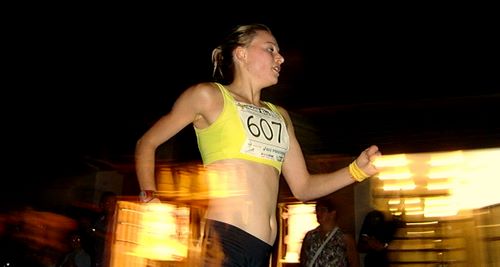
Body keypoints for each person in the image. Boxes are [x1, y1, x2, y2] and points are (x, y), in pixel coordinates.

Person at [135, 23, 381, 266]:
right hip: (224, 243)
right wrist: (149, 199)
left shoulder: (280, 116)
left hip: (262, 249)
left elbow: (304, 187)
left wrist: (356, 170)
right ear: (241, 53)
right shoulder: (209, 96)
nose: (281, 58)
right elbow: (147, 142)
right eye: (270, 49)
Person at [299, 197, 359, 267]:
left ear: (333, 213)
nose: (318, 213)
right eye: (317, 210)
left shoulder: (344, 238)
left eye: (323, 210)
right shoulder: (310, 236)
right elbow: (303, 260)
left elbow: (354, 263)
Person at [91, 191, 117, 267]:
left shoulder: (119, 221)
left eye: (114, 202)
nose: (111, 205)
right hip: (99, 260)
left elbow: (113, 238)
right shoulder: (99, 220)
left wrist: (94, 230)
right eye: (108, 202)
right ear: (102, 204)